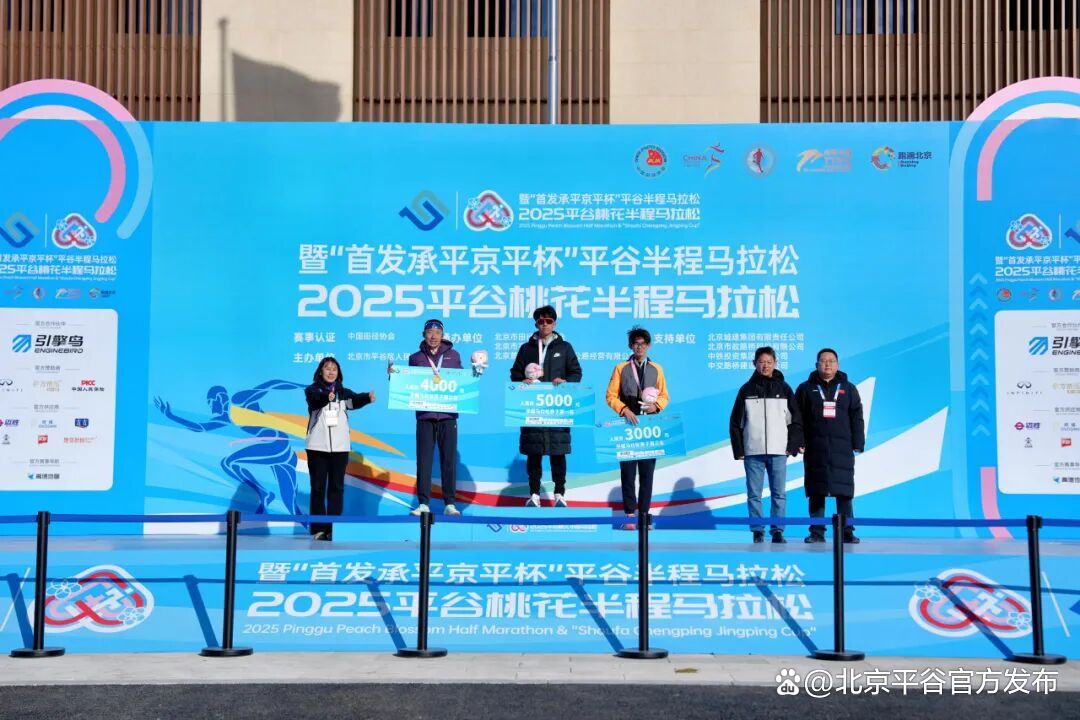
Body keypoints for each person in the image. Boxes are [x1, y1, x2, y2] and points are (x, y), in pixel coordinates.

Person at [510, 305, 583, 507]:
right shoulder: (526, 349)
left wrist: (565, 382)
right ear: (536, 324)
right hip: (533, 408)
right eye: (541, 321)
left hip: (556, 409)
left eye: (548, 321)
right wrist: (522, 381)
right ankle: (534, 494)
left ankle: (559, 493)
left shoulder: (565, 347)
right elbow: (515, 373)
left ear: (554, 324)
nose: (544, 324)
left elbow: (576, 373)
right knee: (534, 454)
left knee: (558, 453)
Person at [729, 346, 801, 544]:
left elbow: (795, 420)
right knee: (754, 494)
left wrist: (792, 445)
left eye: (769, 362)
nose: (765, 366)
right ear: (754, 364)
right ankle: (757, 530)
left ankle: (777, 530)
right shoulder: (746, 390)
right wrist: (739, 450)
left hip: (779, 451)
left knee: (779, 494)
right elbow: (735, 423)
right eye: (761, 362)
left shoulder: (784, 389)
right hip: (753, 451)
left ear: (775, 363)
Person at [795, 348, 864, 544]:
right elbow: (797, 419)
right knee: (816, 491)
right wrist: (798, 442)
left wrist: (858, 442)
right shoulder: (805, 389)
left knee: (844, 492)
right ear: (816, 364)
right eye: (823, 361)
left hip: (842, 448)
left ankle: (847, 532)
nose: (827, 364)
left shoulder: (848, 389)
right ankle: (817, 532)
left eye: (831, 361)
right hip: (815, 448)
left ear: (838, 365)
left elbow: (857, 417)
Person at [605, 327, 669, 530]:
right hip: (627, 425)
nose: (639, 347)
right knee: (628, 473)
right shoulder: (621, 368)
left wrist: (656, 406)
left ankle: (644, 516)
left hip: (649, 425)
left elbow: (664, 395)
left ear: (648, 346)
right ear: (630, 346)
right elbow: (610, 396)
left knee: (647, 474)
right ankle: (630, 516)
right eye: (636, 344)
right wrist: (624, 409)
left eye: (643, 344)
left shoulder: (657, 368)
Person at [304, 357, 373, 541]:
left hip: (340, 448)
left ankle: (333, 528)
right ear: (321, 371)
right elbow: (315, 402)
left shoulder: (343, 392)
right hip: (317, 447)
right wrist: (326, 397)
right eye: (327, 368)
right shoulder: (312, 390)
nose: (331, 372)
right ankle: (318, 529)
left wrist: (367, 397)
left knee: (337, 488)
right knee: (318, 488)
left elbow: (354, 401)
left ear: (338, 373)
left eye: (334, 369)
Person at [398, 319, 463, 516]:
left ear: (442, 335)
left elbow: (461, 381)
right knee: (424, 461)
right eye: (429, 332)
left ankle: (449, 503)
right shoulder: (415, 358)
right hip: (425, 416)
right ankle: (423, 503)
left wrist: (476, 372)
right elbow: (408, 383)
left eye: (437, 332)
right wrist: (395, 377)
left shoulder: (453, 355)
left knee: (448, 460)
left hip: (447, 415)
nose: (433, 336)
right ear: (423, 334)